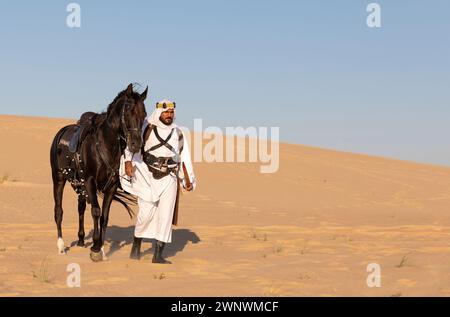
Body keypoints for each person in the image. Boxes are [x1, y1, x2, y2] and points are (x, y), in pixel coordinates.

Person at [119, 99, 196, 264]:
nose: (169, 115)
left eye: (171, 112)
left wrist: (188, 180)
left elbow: (184, 157)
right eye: (166, 112)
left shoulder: (178, 133)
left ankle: (158, 255)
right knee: (145, 215)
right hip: (147, 176)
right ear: (159, 112)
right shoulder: (147, 127)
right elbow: (132, 146)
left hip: (169, 177)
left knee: (166, 215)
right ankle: (136, 246)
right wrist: (127, 161)